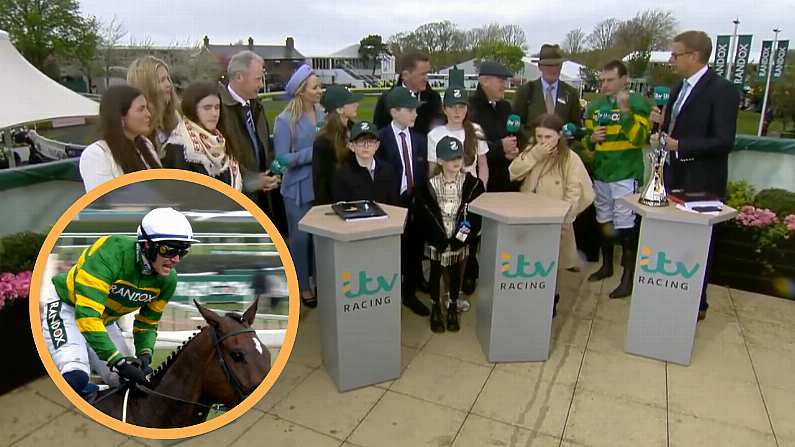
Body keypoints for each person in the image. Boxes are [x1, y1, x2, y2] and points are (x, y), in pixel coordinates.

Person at [42, 208, 197, 397]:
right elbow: (87, 316)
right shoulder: (110, 252)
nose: (176, 259)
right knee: (76, 376)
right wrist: (118, 361)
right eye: (169, 250)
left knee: (127, 384)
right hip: (68, 309)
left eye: (183, 251)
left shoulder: (168, 280)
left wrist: (144, 355)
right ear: (147, 245)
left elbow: (148, 323)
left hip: (103, 321)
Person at [650, 30, 740, 321]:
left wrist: (682, 146)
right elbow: (674, 129)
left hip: (702, 183)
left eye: (675, 54)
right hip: (672, 176)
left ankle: (696, 303)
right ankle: (670, 292)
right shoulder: (677, 88)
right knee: (673, 240)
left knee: (699, 244)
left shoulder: (722, 90)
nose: (671, 60)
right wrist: (659, 130)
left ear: (695, 56)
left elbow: (725, 140)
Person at [510, 114, 594, 316]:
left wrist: (564, 217)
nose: (543, 141)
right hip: (529, 219)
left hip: (557, 222)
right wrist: (533, 156)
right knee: (529, 263)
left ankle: (552, 299)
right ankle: (529, 296)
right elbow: (513, 172)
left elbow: (577, 192)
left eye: (548, 137)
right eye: (539, 137)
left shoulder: (570, 159)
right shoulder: (532, 151)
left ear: (559, 135)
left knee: (552, 265)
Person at [583, 60, 651, 299]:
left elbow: (641, 138)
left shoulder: (638, 103)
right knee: (604, 220)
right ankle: (607, 266)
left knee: (625, 225)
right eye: (602, 80)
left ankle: (628, 278)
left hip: (625, 174)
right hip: (602, 172)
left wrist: (624, 114)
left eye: (610, 80)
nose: (605, 85)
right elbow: (588, 144)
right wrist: (592, 138)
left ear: (625, 79)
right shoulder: (594, 107)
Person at [415, 136, 484, 332]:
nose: (455, 162)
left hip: (458, 239)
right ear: (440, 161)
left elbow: (473, 217)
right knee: (435, 274)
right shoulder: (429, 186)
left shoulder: (472, 185)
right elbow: (424, 216)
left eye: (458, 157)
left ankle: (453, 305)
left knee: (455, 275)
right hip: (437, 239)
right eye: (450, 158)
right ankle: (436, 306)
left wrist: (459, 239)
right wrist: (438, 239)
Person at [428, 84, 489, 298]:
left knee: (466, 243)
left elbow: (483, 166)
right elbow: (432, 170)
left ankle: (460, 287)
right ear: (444, 109)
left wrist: (479, 195)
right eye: (452, 106)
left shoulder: (476, 131)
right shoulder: (435, 134)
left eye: (461, 106)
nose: (457, 111)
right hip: (446, 199)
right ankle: (446, 294)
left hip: (470, 198)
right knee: (447, 247)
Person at [217, 50, 286, 234]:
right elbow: (219, 158)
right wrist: (250, 181)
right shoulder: (219, 112)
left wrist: (270, 176)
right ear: (239, 77)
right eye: (257, 79)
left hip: (263, 199)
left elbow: (263, 145)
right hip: (238, 203)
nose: (261, 84)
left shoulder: (256, 106)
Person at [273, 64, 324, 308]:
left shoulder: (322, 112)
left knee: (320, 239)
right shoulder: (285, 121)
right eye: (315, 87)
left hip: (321, 185)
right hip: (297, 189)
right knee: (300, 240)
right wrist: (313, 153)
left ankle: (320, 280)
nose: (319, 91)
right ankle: (303, 286)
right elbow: (282, 159)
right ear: (302, 91)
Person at [376, 86, 429, 316]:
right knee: (398, 248)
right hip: (392, 202)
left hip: (415, 200)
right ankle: (397, 289)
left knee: (416, 245)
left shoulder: (419, 138)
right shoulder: (380, 138)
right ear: (394, 112)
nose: (415, 115)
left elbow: (423, 169)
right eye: (410, 110)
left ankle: (414, 284)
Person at [162, 82, 242, 190]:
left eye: (217, 107)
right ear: (193, 109)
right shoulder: (180, 147)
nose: (214, 113)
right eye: (207, 108)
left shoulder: (222, 140)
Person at [79, 85, 161, 192]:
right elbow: (105, 202)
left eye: (147, 108)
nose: (148, 114)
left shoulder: (146, 144)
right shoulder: (97, 155)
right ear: (120, 116)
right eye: (141, 109)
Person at [512, 44, 582, 149]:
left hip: (561, 154)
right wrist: (533, 139)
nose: (553, 69)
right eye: (548, 66)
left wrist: (567, 135)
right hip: (532, 152)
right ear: (540, 66)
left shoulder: (570, 93)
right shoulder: (526, 91)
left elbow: (577, 126)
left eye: (556, 65)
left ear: (561, 67)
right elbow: (516, 123)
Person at [467, 60, 517, 193]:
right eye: (501, 81)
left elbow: (515, 135)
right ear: (485, 81)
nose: (505, 85)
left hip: (506, 183)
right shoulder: (470, 109)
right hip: (481, 185)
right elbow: (471, 147)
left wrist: (515, 150)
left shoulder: (506, 107)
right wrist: (500, 147)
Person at [313, 85, 363, 205]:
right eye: (351, 102)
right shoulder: (323, 143)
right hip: (335, 205)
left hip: (359, 199)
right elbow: (321, 185)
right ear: (339, 109)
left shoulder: (357, 132)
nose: (357, 104)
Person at [373, 50, 443, 136]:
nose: (426, 78)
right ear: (405, 75)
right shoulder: (386, 100)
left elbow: (439, 130)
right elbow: (378, 135)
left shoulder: (433, 98)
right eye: (422, 74)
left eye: (427, 73)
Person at [332, 121, 400, 205]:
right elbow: (342, 208)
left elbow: (394, 205)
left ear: (377, 146)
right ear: (352, 146)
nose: (366, 146)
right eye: (361, 141)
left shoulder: (388, 171)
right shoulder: (342, 174)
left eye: (370, 141)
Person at [127, 55, 181, 155]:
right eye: (162, 80)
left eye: (168, 79)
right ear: (146, 86)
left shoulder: (175, 117)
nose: (169, 84)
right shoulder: (133, 127)